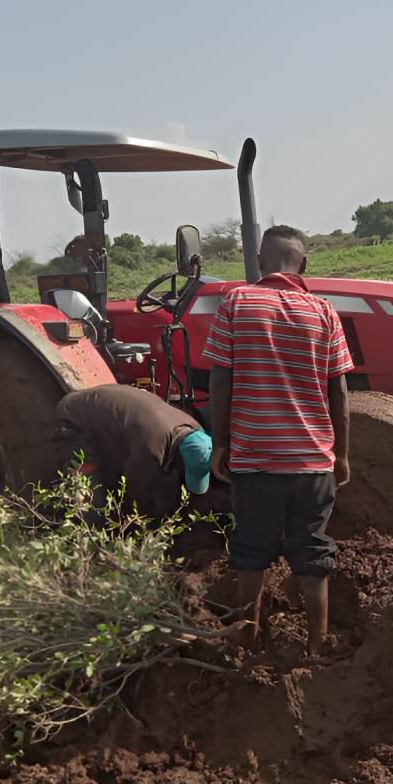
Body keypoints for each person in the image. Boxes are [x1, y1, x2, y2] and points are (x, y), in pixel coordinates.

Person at [203, 225, 354, 655]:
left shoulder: (236, 302)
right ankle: (315, 645)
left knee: (251, 548)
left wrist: (221, 443)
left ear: (260, 264)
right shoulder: (324, 312)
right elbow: (339, 391)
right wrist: (340, 455)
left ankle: (247, 636)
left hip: (256, 460)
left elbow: (220, 377)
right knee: (312, 551)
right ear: (303, 265)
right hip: (311, 462)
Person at [52, 384, 212, 518]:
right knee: (91, 497)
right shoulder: (151, 447)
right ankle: (85, 545)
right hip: (75, 419)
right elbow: (135, 494)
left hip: (110, 418)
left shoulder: (193, 429)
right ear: (180, 459)